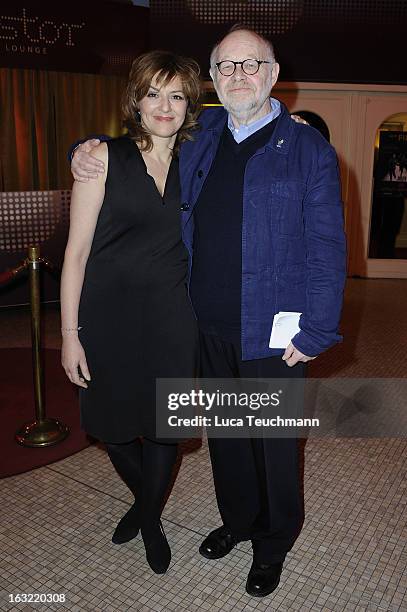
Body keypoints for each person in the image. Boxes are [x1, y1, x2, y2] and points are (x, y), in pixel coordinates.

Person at [71, 26, 347, 597]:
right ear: (214, 81)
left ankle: (273, 542)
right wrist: (90, 145)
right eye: (227, 66)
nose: (239, 75)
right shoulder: (208, 132)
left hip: (276, 329)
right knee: (226, 437)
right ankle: (239, 522)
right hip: (206, 322)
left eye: (252, 65)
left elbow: (327, 247)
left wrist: (319, 329)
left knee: (272, 444)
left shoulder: (308, 148)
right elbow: (148, 138)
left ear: (274, 76)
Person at [61, 50, 201, 575]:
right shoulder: (101, 158)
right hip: (107, 316)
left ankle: (147, 517)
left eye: (176, 95)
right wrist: (70, 335)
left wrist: (294, 125)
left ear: (189, 105)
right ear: (136, 100)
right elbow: (75, 254)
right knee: (113, 427)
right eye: (153, 93)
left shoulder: (199, 160)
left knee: (167, 426)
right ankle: (149, 507)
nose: (164, 105)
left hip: (174, 314)